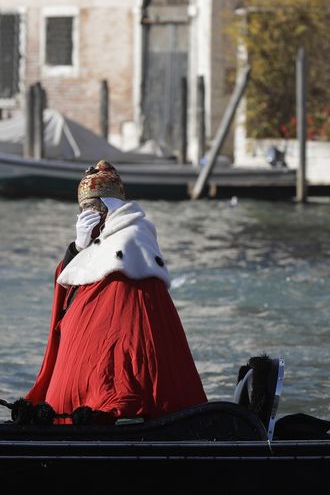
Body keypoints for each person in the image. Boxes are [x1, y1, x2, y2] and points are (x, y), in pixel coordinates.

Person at [23, 160, 207, 424]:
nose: (84, 215)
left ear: (107, 208)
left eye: (89, 208)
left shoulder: (133, 236)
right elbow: (68, 286)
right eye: (82, 210)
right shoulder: (97, 240)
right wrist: (78, 247)